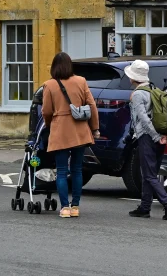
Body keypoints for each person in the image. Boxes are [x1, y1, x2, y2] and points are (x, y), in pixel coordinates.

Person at [41, 52, 100, 218]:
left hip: (60, 129)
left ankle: (65, 208)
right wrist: (95, 127)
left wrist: (48, 125)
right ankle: (75, 206)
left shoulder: (49, 85)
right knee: (77, 169)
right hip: (80, 130)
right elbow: (91, 105)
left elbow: (46, 111)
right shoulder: (81, 81)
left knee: (61, 171)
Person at [125, 60, 167, 220]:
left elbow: (142, 118)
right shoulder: (155, 89)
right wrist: (164, 135)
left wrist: (154, 136)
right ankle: (145, 207)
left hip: (148, 137)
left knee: (148, 174)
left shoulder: (137, 94)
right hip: (162, 135)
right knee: (151, 173)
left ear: (133, 78)